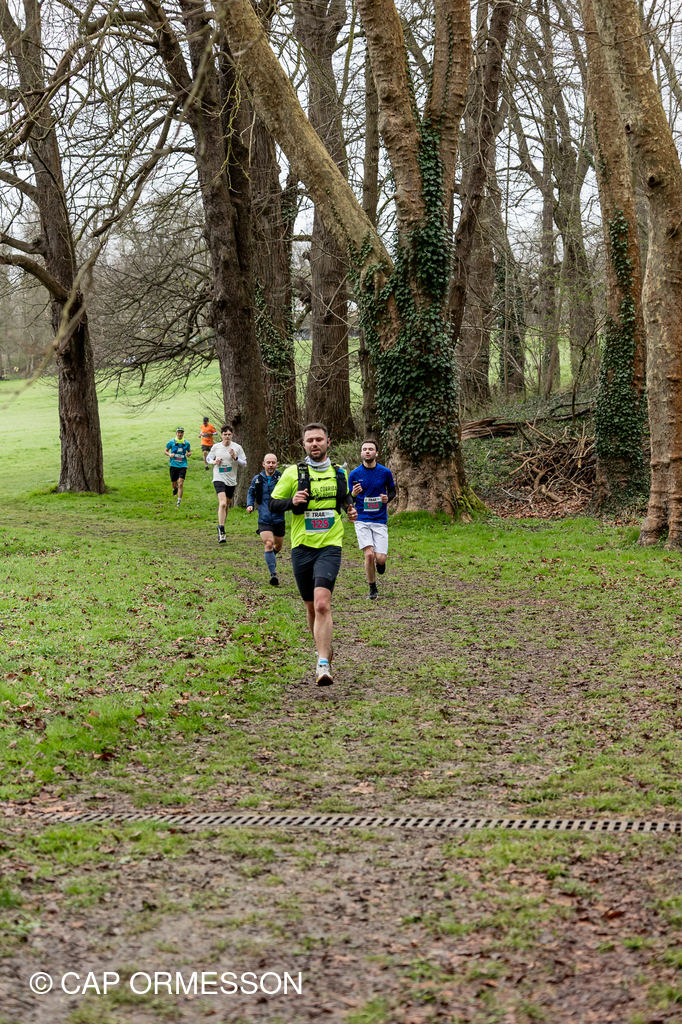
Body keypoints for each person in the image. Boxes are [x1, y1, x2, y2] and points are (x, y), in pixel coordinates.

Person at [270, 423, 358, 686]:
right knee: (310, 606)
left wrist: (351, 509)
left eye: (319, 439)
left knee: (322, 604)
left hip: (330, 544)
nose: (315, 444)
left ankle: (322, 663)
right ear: (304, 444)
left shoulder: (339, 472)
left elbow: (344, 498)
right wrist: (292, 502)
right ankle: (324, 649)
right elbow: (273, 503)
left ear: (328, 442)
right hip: (301, 546)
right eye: (310, 440)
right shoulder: (293, 473)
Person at [348, 439, 396, 600]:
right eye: (365, 449)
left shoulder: (385, 472)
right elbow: (349, 499)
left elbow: (393, 491)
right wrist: (353, 494)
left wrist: (387, 499)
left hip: (380, 519)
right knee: (369, 555)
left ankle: (380, 563)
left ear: (376, 453)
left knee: (380, 558)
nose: (367, 451)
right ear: (361, 453)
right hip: (362, 519)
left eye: (370, 449)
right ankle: (372, 589)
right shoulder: (354, 474)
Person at [246, 454, 284, 586]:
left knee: (278, 546)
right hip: (264, 517)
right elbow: (251, 492)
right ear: (263, 464)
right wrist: (249, 504)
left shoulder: (282, 478)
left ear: (277, 464)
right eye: (268, 462)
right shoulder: (257, 479)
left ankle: (270, 556)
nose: (271, 465)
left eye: (273, 462)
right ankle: (273, 575)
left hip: (279, 517)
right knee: (268, 543)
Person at [206, 425, 247, 542]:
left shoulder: (237, 447)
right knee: (223, 503)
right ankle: (222, 530)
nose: (227, 436)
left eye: (229, 434)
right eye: (225, 434)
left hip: (231, 480)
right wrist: (214, 462)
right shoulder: (216, 447)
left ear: (232, 435)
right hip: (219, 477)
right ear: (221, 435)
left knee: (227, 504)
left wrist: (235, 457)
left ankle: (221, 524)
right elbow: (208, 458)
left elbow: (244, 463)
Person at [165, 428, 192, 507]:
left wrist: (189, 454)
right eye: (178, 432)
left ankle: (178, 501)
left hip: (183, 465)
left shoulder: (186, 443)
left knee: (181, 483)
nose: (180, 434)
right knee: (174, 484)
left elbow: (189, 451)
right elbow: (165, 451)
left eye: (181, 433)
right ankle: (175, 487)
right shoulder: (171, 442)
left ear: (183, 434)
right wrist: (170, 454)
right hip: (173, 465)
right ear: (176, 433)